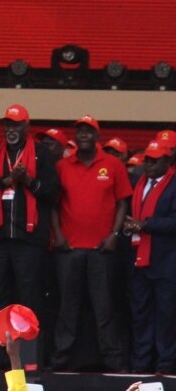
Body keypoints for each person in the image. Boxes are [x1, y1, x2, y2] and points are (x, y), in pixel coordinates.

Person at [0, 104, 59, 358]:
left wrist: (27, 181)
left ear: (26, 126)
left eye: (16, 125)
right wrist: (6, 181)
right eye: (7, 125)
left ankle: (31, 356)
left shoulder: (42, 155)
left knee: (29, 298)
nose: (11, 129)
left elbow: (52, 193)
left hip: (30, 240)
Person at [51, 115, 131, 372]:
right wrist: (58, 235)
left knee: (104, 308)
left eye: (89, 131)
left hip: (101, 250)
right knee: (68, 309)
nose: (84, 135)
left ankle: (114, 364)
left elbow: (122, 203)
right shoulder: (62, 166)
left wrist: (114, 235)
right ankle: (61, 362)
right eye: (80, 131)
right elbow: (52, 205)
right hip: (69, 249)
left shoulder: (113, 165)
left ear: (98, 136)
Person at [122, 140, 176, 374]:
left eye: (155, 161)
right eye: (147, 160)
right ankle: (141, 362)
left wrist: (146, 225)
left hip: (165, 260)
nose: (150, 165)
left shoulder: (174, 185)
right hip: (138, 260)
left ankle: (165, 363)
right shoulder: (138, 182)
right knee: (140, 312)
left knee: (165, 314)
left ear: (167, 161)